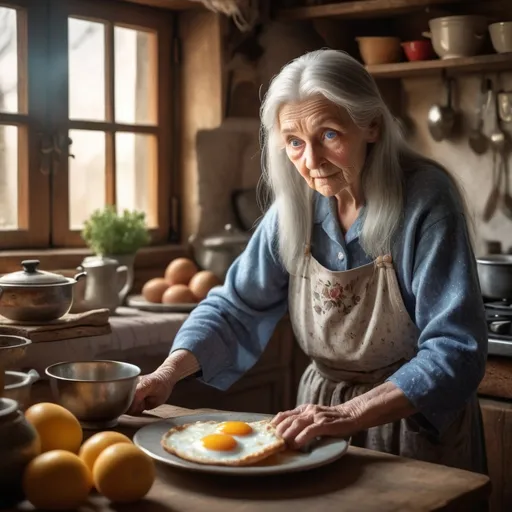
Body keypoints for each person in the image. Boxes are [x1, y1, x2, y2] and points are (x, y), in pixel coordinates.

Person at [129, 49, 488, 473]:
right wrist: (166, 374)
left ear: (371, 125)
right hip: (320, 417)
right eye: (295, 143)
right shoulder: (295, 208)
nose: (311, 162)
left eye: (330, 135)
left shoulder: (426, 200)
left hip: (411, 418)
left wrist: (352, 414)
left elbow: (456, 348)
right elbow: (235, 307)